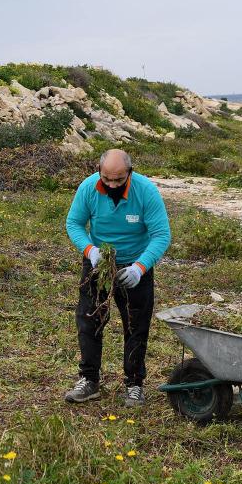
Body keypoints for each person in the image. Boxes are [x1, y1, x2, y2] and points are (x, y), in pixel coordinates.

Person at [64, 149, 171, 407]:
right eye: (107, 179)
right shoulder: (89, 188)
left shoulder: (145, 191)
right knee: (89, 320)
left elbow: (161, 234)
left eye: (119, 180)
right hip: (99, 264)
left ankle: (134, 384)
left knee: (136, 325)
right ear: (99, 172)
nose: (112, 185)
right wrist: (91, 251)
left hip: (135, 266)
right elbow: (74, 224)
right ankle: (89, 380)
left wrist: (139, 268)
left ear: (129, 174)